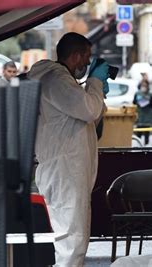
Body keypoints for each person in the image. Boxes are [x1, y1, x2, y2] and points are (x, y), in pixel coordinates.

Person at [27, 32, 109, 266]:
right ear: (75, 55)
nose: (87, 63)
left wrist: (96, 91)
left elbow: (86, 118)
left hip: (67, 170)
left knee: (73, 238)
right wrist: (95, 84)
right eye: (86, 57)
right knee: (71, 241)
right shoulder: (56, 78)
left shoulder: (61, 81)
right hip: (64, 171)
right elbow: (88, 110)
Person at [132, 78, 152, 145]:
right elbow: (134, 103)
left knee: (147, 135)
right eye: (142, 85)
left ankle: (146, 148)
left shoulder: (150, 94)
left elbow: (151, 105)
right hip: (140, 117)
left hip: (147, 118)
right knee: (138, 135)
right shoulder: (137, 93)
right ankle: (138, 147)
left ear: (147, 86)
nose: (144, 87)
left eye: (145, 85)